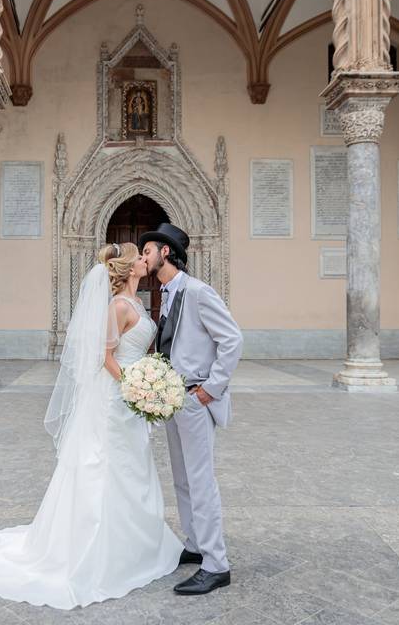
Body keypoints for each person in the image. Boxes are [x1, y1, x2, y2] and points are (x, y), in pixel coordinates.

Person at [0, 242, 183, 609]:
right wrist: (134, 387)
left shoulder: (136, 303)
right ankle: (100, 549)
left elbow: (133, 350)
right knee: (105, 466)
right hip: (117, 396)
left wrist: (148, 380)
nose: (144, 260)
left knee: (132, 465)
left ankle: (136, 544)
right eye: (139, 256)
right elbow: (104, 356)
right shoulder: (118, 305)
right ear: (129, 268)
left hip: (129, 397)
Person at [140, 222, 243, 595]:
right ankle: (197, 545)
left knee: (201, 482)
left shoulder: (198, 292)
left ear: (165, 252)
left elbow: (232, 339)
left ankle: (217, 564)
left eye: (147, 251)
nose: (143, 257)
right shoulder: (168, 293)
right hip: (172, 399)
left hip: (194, 398)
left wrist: (210, 390)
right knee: (182, 479)